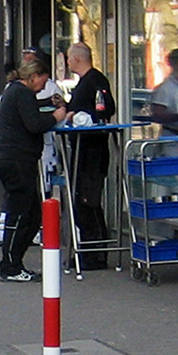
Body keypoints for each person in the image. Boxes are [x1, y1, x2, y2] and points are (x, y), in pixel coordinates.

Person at [0, 54, 59, 283]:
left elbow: (30, 110)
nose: (43, 87)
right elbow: (34, 124)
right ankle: (10, 265)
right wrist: (56, 115)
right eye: (42, 81)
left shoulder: (16, 92)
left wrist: (48, 103)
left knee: (31, 213)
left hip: (14, 159)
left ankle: (14, 262)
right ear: (33, 77)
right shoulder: (21, 92)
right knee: (23, 213)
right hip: (18, 160)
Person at [51, 41, 117, 243]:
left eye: (69, 57)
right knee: (80, 198)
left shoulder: (95, 80)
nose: (67, 62)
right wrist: (66, 105)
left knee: (87, 199)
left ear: (77, 58)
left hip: (92, 150)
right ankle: (89, 246)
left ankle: (95, 249)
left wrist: (76, 115)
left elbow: (105, 109)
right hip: (81, 149)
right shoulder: (84, 82)